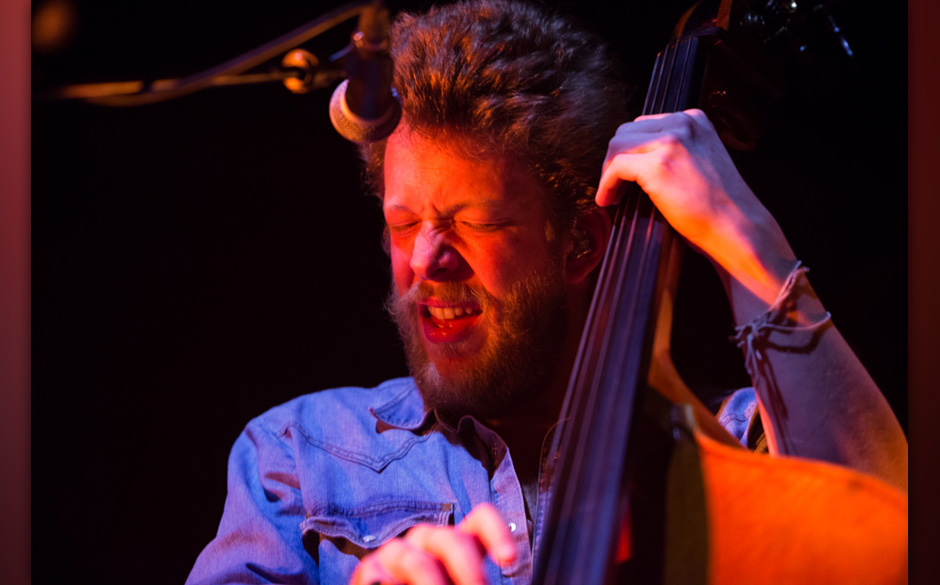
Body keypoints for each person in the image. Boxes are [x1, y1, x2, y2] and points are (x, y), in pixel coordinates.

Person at [186, 1, 908, 584]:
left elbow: (885, 543)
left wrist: (748, 239)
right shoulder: (301, 453)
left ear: (583, 242)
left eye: (476, 222)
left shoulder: (742, 447)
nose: (428, 260)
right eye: (404, 223)